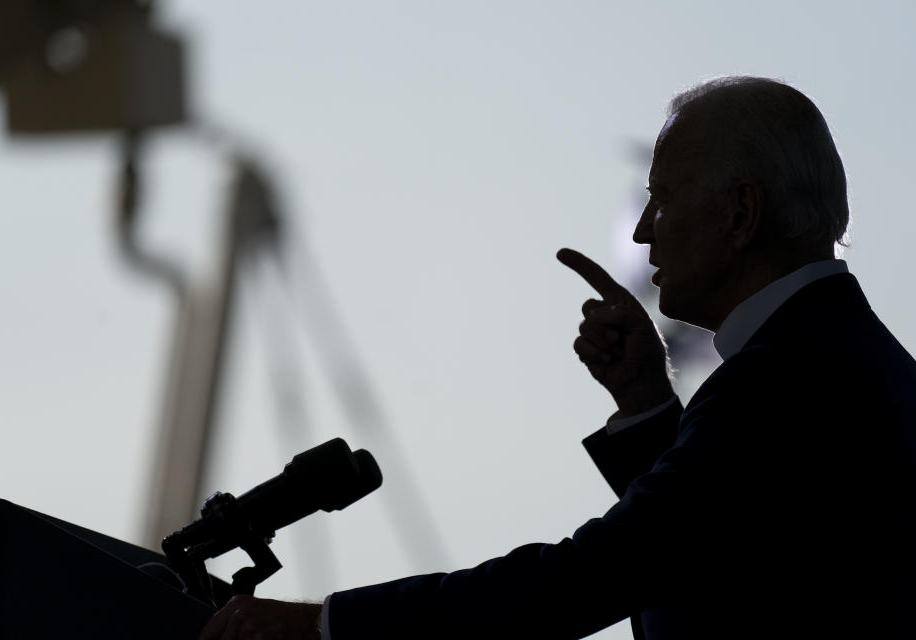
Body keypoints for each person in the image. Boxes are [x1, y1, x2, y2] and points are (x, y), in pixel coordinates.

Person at [199, 76, 916, 639]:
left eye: (662, 200)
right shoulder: (842, 359)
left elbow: (590, 578)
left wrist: (322, 626)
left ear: (740, 214)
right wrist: (643, 401)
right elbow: (707, 552)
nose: (640, 232)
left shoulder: (781, 380)